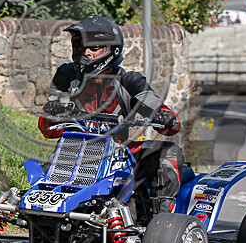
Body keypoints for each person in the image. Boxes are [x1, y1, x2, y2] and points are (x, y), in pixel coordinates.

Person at [39, 15, 183, 216]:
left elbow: (169, 121)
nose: (85, 52)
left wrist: (164, 117)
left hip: (119, 153)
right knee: (41, 172)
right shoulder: (66, 76)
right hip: (74, 152)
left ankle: (160, 223)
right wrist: (52, 116)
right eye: (81, 47)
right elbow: (46, 130)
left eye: (93, 48)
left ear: (111, 50)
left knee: (169, 153)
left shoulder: (130, 81)